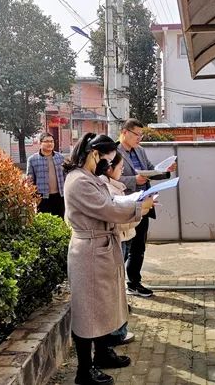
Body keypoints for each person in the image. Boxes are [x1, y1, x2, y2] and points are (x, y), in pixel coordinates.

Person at [63, 133, 154, 385]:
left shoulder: (90, 177)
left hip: (101, 248)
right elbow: (108, 209)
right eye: (108, 159)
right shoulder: (79, 181)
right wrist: (140, 207)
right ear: (95, 154)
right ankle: (84, 371)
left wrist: (135, 203)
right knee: (88, 311)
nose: (109, 165)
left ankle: (102, 354)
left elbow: (111, 202)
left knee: (104, 305)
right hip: (89, 252)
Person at [117, 118, 176, 298]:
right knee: (123, 247)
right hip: (125, 204)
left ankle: (134, 283)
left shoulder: (140, 151)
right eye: (137, 134)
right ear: (125, 132)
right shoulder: (113, 152)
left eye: (141, 135)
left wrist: (165, 170)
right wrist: (133, 180)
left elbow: (150, 170)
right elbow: (109, 178)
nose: (139, 138)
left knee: (139, 246)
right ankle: (116, 285)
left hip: (144, 203)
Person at [98, 152, 139, 345]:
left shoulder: (113, 185)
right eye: (120, 168)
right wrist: (138, 210)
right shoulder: (105, 187)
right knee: (115, 287)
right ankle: (116, 333)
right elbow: (116, 218)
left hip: (125, 237)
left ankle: (118, 331)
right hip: (118, 239)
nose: (122, 171)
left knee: (118, 285)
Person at [26, 132, 65, 218]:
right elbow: (30, 180)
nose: (50, 143)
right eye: (46, 141)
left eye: (51, 141)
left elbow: (65, 176)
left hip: (59, 196)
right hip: (42, 197)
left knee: (60, 221)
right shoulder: (32, 159)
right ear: (40, 143)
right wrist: (32, 196)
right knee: (44, 220)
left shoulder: (60, 158)